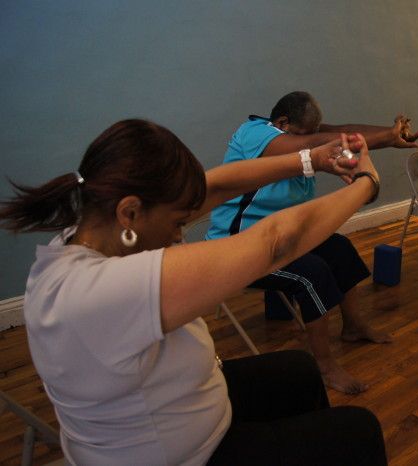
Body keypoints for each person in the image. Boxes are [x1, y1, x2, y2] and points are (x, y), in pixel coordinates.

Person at [0, 119, 387, 465]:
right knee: (358, 430)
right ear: (129, 213)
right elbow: (277, 243)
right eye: (178, 222)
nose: (180, 234)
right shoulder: (98, 293)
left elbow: (214, 185)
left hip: (189, 408)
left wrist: (311, 159)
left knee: (299, 372)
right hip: (181, 456)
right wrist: (367, 184)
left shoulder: (86, 230)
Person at [207, 91, 418, 394]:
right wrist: (374, 143)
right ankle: (325, 366)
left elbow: (332, 133)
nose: (316, 138)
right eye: (307, 132)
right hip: (238, 244)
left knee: (340, 249)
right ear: (282, 122)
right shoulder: (254, 133)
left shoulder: (301, 138)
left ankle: (354, 326)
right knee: (312, 273)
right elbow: (311, 144)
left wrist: (389, 137)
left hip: (284, 235)